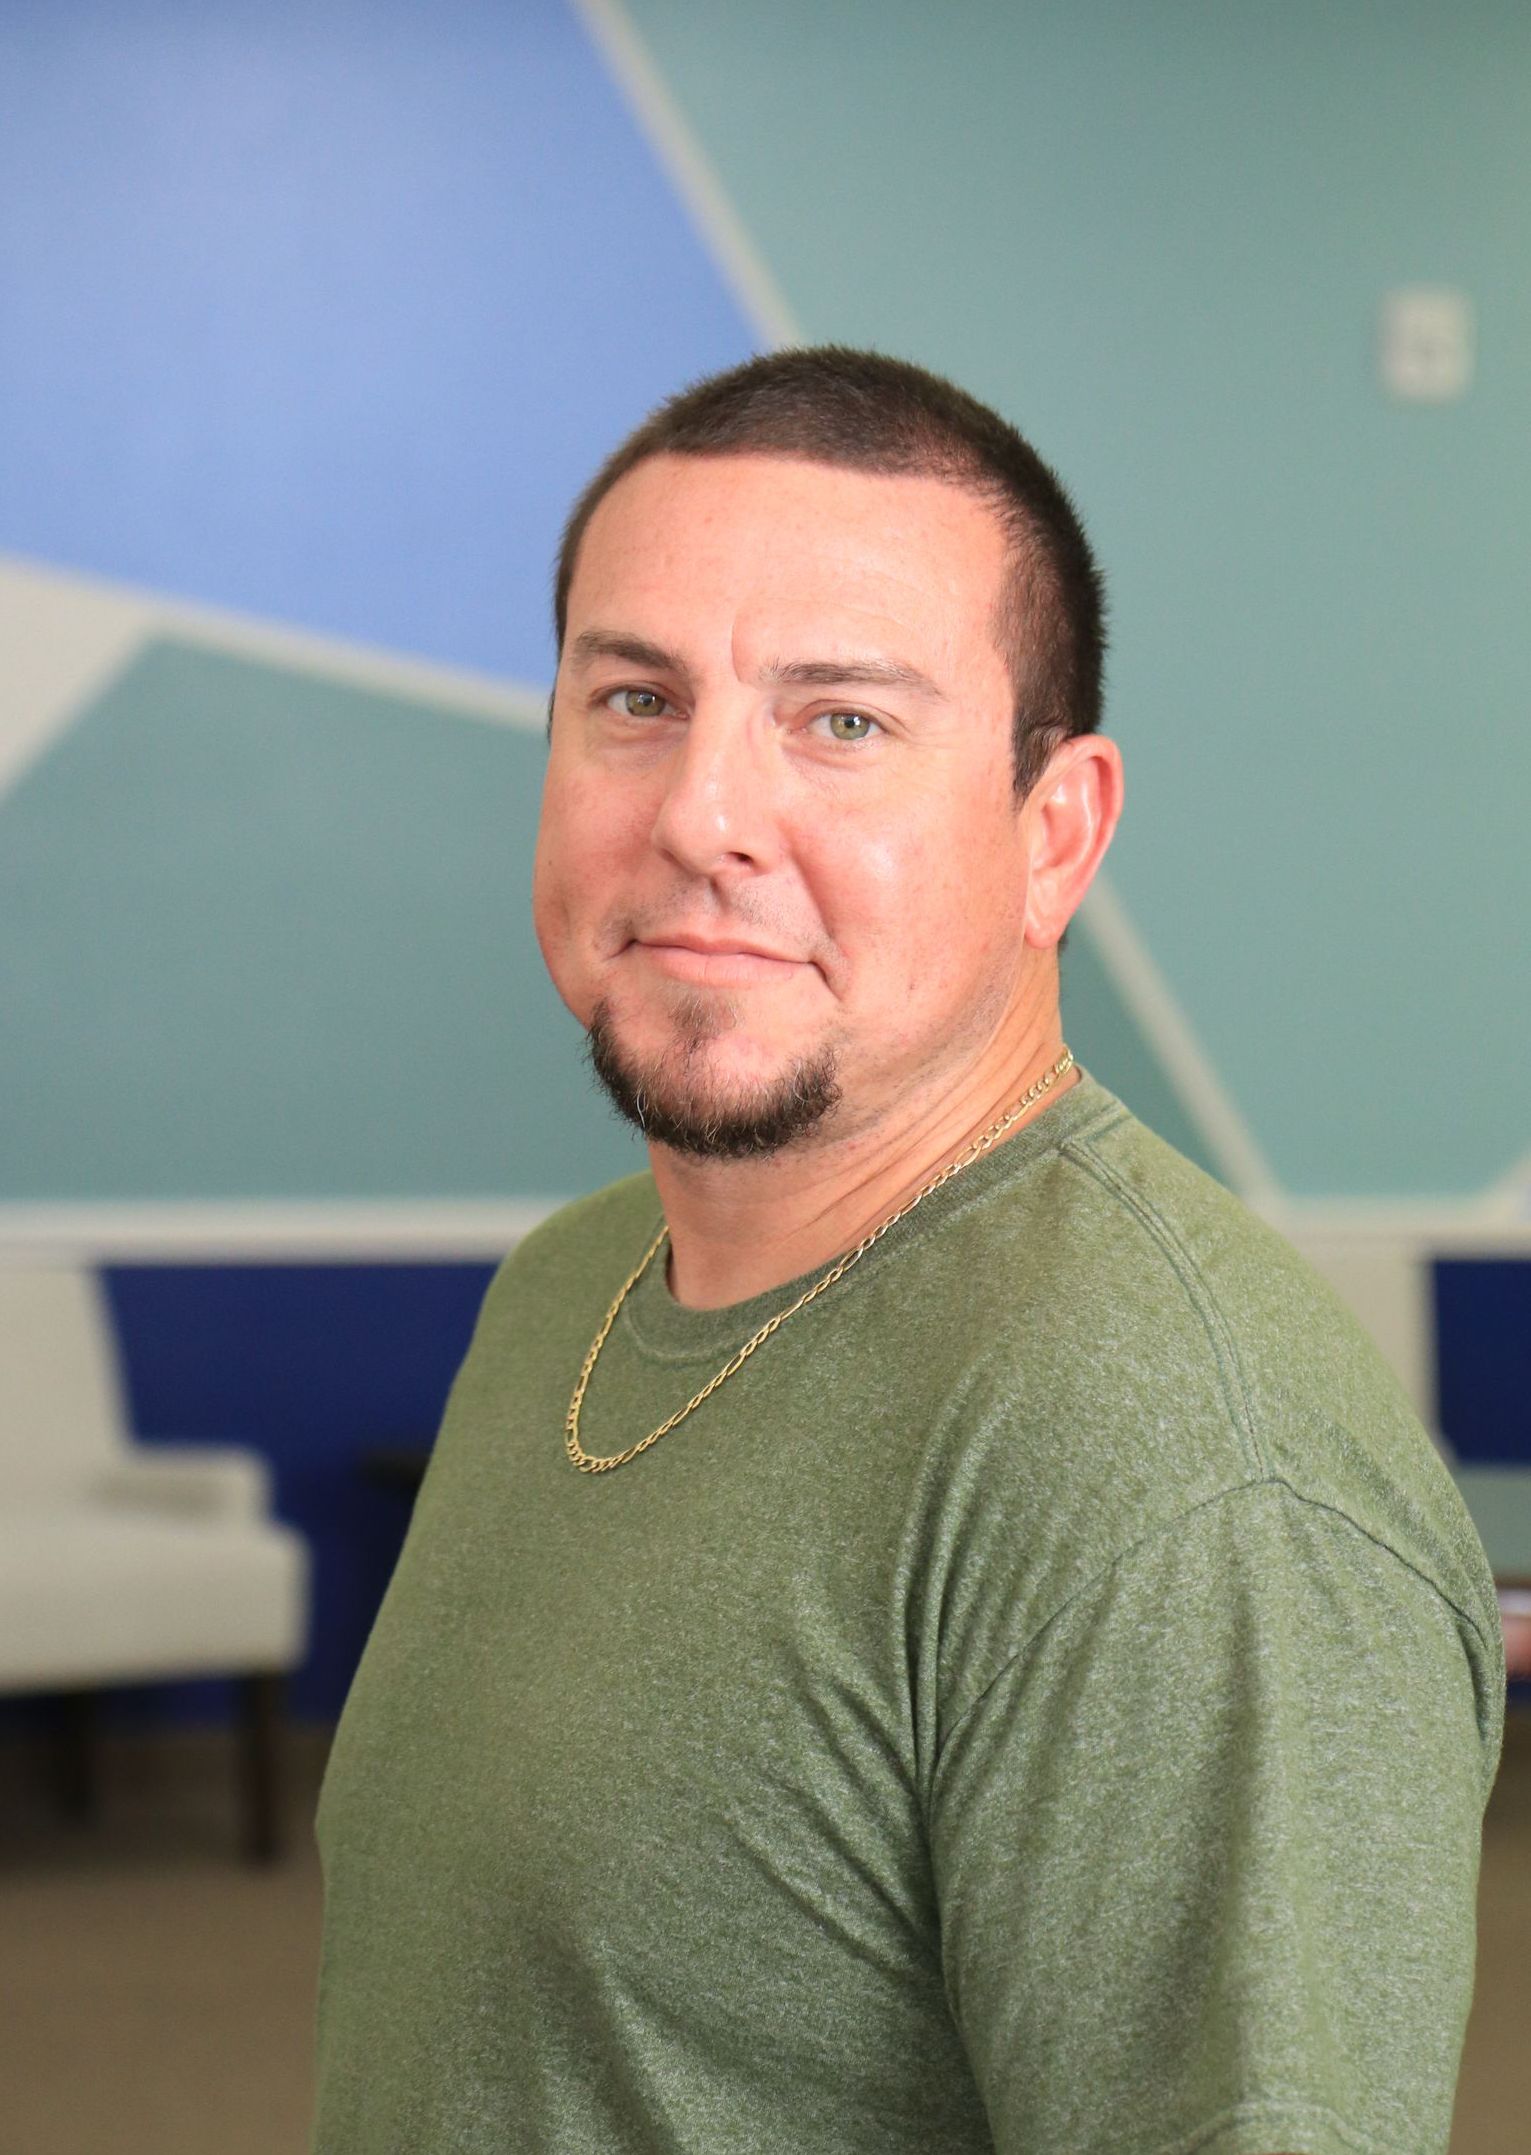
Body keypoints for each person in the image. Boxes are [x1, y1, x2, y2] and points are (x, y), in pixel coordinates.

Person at [311, 348, 1503, 2155]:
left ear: (1054, 834)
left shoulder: (1173, 1459)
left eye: (842, 723)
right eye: (635, 699)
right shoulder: (570, 1289)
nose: (701, 815)